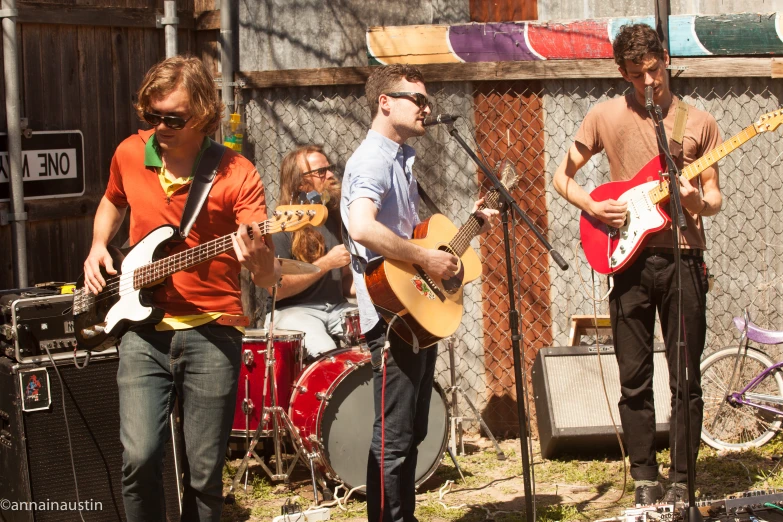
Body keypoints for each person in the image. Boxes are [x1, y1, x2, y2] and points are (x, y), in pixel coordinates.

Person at [82, 56, 281, 521]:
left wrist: (262, 265)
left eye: (173, 118)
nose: (160, 127)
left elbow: (266, 273)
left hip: (212, 331)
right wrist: (96, 245)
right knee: (140, 457)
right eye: (152, 116)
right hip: (141, 331)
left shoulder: (236, 173)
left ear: (204, 115)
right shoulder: (131, 152)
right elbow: (111, 201)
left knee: (205, 473)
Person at [552, 24, 722, 505]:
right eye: (636, 75)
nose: (649, 82)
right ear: (620, 72)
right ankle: (645, 477)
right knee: (634, 374)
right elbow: (561, 176)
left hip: (684, 258)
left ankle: (683, 480)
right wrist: (591, 205)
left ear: (665, 59)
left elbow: (714, 197)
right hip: (627, 260)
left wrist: (697, 203)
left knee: (687, 378)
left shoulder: (699, 121)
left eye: (654, 70)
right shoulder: (604, 115)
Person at [341, 64, 497, 521]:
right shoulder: (372, 159)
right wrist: (427, 259)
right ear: (385, 102)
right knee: (393, 436)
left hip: (413, 313)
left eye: (428, 101)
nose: (427, 108)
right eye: (418, 100)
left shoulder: (400, 160)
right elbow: (362, 227)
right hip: (390, 317)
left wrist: (466, 228)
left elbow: (413, 239)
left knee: (410, 431)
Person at [268, 145, 356, 358]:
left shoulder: (336, 219)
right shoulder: (282, 225)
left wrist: (378, 288)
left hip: (337, 308)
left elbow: (344, 284)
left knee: (379, 339)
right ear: (300, 183)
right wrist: (326, 263)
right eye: (321, 172)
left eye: (330, 168)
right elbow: (277, 291)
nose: (331, 175)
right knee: (329, 358)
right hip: (294, 311)